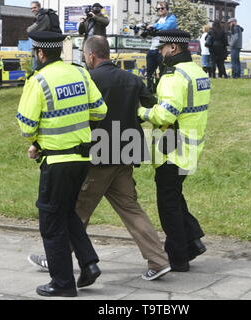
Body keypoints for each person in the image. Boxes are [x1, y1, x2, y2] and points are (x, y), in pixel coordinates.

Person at [28, 36, 172, 281]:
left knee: (75, 210)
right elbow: (150, 108)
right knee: (131, 209)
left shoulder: (87, 79)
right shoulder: (132, 79)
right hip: (126, 152)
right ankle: (158, 260)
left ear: (91, 56)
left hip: (98, 154)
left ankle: (57, 259)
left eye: (85, 55)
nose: (85, 59)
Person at [17, 31, 107, 297]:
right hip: (81, 159)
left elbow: (26, 126)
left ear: (41, 53)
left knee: (51, 222)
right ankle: (89, 264)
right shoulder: (79, 73)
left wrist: (36, 141)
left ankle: (62, 284)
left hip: (56, 162)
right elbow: (100, 110)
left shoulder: (38, 80)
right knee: (67, 213)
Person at [137, 29, 210, 272]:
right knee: (175, 196)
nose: (159, 52)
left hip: (172, 149)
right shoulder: (198, 72)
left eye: (162, 48)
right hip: (190, 147)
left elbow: (165, 114)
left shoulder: (173, 76)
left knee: (168, 203)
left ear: (174, 49)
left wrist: (141, 112)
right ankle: (193, 241)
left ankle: (178, 258)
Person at [145, 1, 177, 92]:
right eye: (158, 9)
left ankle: (163, 89)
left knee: (163, 71)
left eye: (162, 8)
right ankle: (150, 89)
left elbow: (166, 27)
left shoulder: (172, 18)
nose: (160, 10)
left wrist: (154, 26)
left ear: (167, 9)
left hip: (163, 49)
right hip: (152, 49)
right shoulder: (157, 20)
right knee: (150, 72)